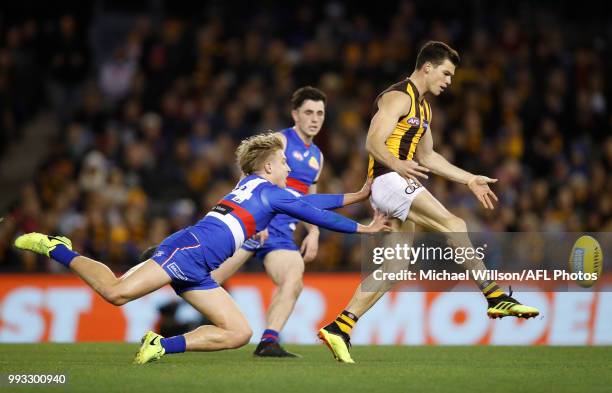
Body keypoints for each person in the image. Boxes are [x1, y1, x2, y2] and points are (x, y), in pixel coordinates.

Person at [14, 133, 389, 365]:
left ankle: (160, 345)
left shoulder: (258, 186)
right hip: (190, 249)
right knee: (116, 292)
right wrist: (364, 227)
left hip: (200, 266)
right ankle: (59, 248)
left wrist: (355, 196)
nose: (288, 165)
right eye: (284, 162)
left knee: (238, 332)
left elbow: (311, 202)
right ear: (271, 165)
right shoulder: (269, 190)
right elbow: (311, 211)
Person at [317, 41, 539, 364]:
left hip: (397, 183)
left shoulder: (424, 109)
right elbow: (372, 141)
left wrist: (469, 178)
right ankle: (494, 295)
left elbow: (428, 156)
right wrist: (397, 165)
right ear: (427, 68)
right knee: (455, 224)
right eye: (446, 73)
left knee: (395, 266)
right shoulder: (397, 97)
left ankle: (341, 326)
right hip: (388, 181)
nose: (449, 81)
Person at [200, 86, 329, 357]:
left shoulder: (317, 157)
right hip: (254, 224)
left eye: (320, 113)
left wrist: (314, 232)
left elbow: (310, 197)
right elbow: (248, 174)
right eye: (308, 112)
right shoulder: (280, 141)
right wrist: (253, 214)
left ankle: (268, 341)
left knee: (294, 277)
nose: (314, 118)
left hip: (282, 234)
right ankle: (168, 295)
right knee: (209, 278)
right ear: (295, 114)